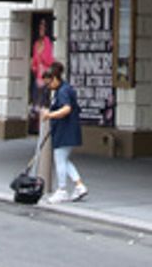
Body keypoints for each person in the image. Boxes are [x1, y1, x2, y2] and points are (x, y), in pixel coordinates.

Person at [39, 61, 88, 203]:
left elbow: (67, 109)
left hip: (65, 130)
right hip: (67, 129)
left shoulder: (63, 91)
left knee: (60, 160)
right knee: (64, 160)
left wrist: (50, 115)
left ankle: (62, 190)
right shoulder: (64, 89)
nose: (48, 87)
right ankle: (79, 186)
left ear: (55, 78)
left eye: (49, 83)